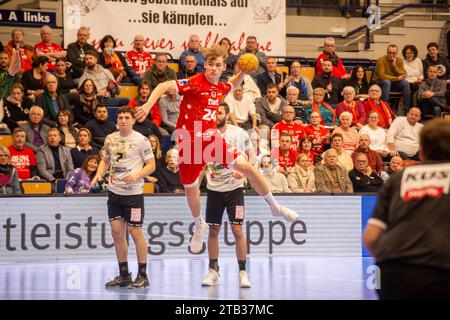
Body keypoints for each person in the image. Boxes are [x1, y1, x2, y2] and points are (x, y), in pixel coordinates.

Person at [136, 44, 299, 253]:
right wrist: (148, 105)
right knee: (190, 187)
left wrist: (242, 72)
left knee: (248, 167)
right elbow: (164, 85)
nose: (213, 68)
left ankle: (275, 208)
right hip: (188, 141)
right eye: (210, 65)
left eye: (218, 65)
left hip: (211, 138)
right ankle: (198, 225)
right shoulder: (195, 82)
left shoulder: (220, 87)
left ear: (223, 67)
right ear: (205, 66)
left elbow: (232, 83)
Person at [363, 118, 450, 299]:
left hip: (393, 273)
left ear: (422, 151)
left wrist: (392, 260)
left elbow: (370, 237)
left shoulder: (398, 178)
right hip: (440, 270)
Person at [91, 106, 155, 289]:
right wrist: (98, 175)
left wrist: (136, 175)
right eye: (120, 118)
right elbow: (105, 160)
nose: (124, 120)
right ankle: (124, 274)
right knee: (117, 233)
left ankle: (143, 275)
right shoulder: (110, 139)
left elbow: (151, 165)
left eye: (127, 117)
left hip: (133, 195)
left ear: (133, 120)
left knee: (135, 233)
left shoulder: (141, 140)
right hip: (114, 193)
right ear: (117, 120)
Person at [201, 103, 254, 288]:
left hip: (235, 190)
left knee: (237, 230)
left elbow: (251, 157)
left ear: (226, 114)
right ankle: (213, 270)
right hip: (214, 190)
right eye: (214, 113)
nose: (216, 116)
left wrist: (245, 172)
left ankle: (243, 272)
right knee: (213, 231)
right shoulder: (205, 134)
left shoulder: (239, 133)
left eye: (220, 113)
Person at [373, 44, 411, 111]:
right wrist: (397, 78)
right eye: (389, 53)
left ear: (396, 53)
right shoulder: (381, 60)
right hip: (380, 83)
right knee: (386, 82)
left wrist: (394, 66)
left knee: (405, 83)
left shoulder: (399, 60)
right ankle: (383, 108)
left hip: (393, 83)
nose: (391, 55)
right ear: (387, 52)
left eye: (393, 53)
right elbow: (382, 76)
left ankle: (407, 109)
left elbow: (403, 74)